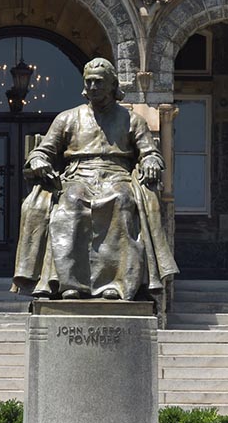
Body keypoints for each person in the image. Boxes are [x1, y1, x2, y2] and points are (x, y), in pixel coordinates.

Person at [12, 57, 178, 301]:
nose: (92, 87)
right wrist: (38, 161)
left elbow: (149, 152)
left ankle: (117, 284)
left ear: (112, 84)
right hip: (78, 175)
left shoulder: (132, 119)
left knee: (121, 201)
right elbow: (43, 150)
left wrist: (152, 162)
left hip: (118, 174)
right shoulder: (67, 118)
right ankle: (70, 284)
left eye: (99, 82)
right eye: (88, 82)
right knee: (70, 202)